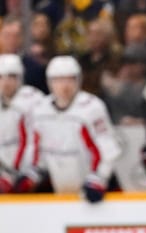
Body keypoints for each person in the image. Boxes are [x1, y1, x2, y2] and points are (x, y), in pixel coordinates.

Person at [29, 55, 121, 200]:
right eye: (58, 80)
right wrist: (33, 172)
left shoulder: (92, 107)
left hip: (95, 186)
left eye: (70, 79)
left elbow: (108, 148)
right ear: (49, 82)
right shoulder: (40, 110)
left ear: (78, 81)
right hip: (61, 186)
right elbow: (37, 149)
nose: (65, 86)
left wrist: (99, 178)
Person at [0, 53, 44, 193]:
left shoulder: (34, 99)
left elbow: (35, 141)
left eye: (12, 77)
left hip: (31, 171)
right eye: (1, 77)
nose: (6, 82)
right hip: (5, 171)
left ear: (20, 77)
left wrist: (29, 172)